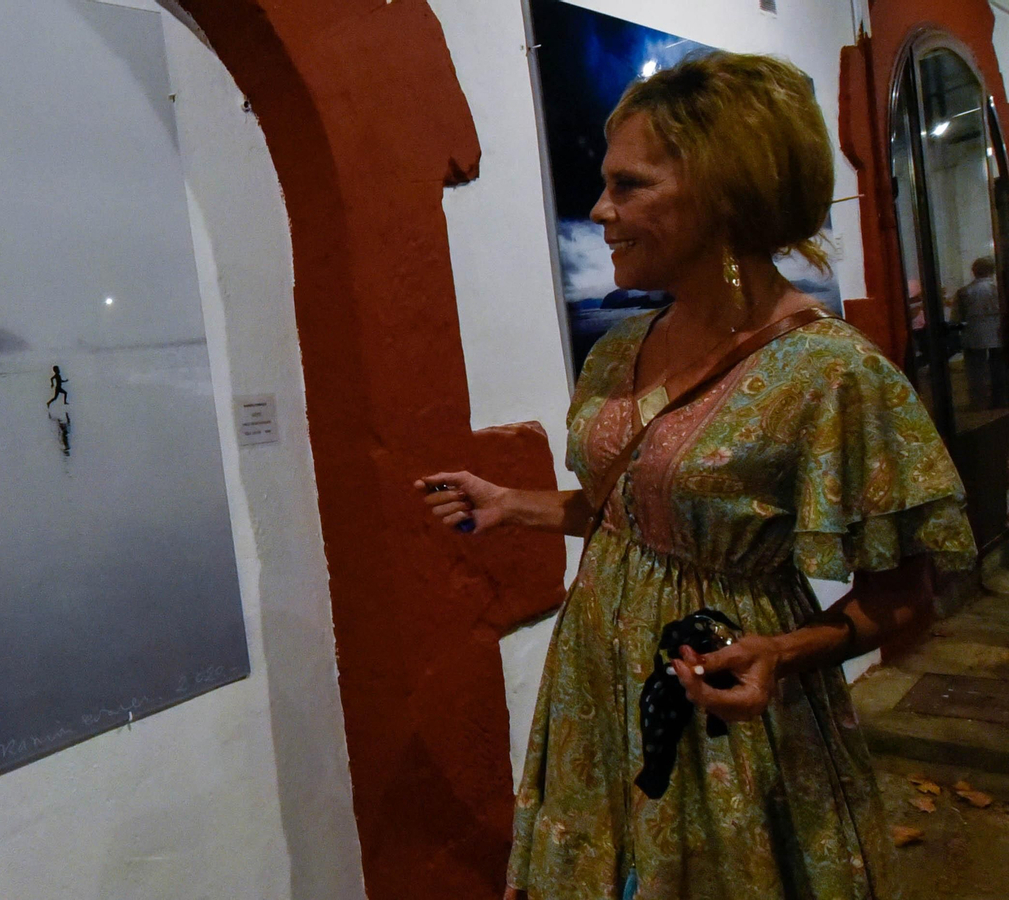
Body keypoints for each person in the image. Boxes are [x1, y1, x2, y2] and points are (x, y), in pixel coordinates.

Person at [419, 52, 975, 900]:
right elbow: (645, 515)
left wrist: (784, 654)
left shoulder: (828, 374)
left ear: (726, 194)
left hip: (717, 702)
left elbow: (904, 594)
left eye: (629, 186)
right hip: (598, 677)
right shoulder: (619, 351)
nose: (601, 211)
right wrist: (515, 507)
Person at [957, 256, 1004, 409]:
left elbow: (957, 317)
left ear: (974, 271)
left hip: (974, 334)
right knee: (999, 368)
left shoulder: (964, 291)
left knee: (976, 371)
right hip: (998, 332)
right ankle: (1001, 400)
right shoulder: (998, 290)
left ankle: (979, 402)